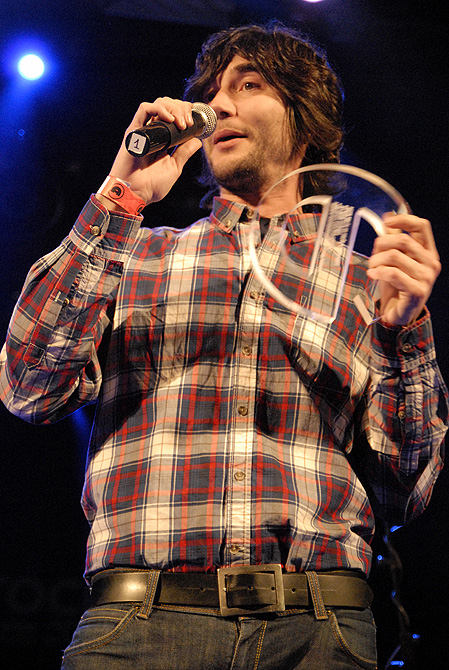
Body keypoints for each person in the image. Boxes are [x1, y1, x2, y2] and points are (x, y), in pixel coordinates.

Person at [0, 22, 447, 670]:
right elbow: (28, 386)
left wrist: (403, 333)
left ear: (304, 117)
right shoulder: (137, 255)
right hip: (140, 625)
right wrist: (120, 198)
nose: (219, 105)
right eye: (211, 92)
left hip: (318, 630)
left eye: (248, 85)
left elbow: (406, 490)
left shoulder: (366, 282)